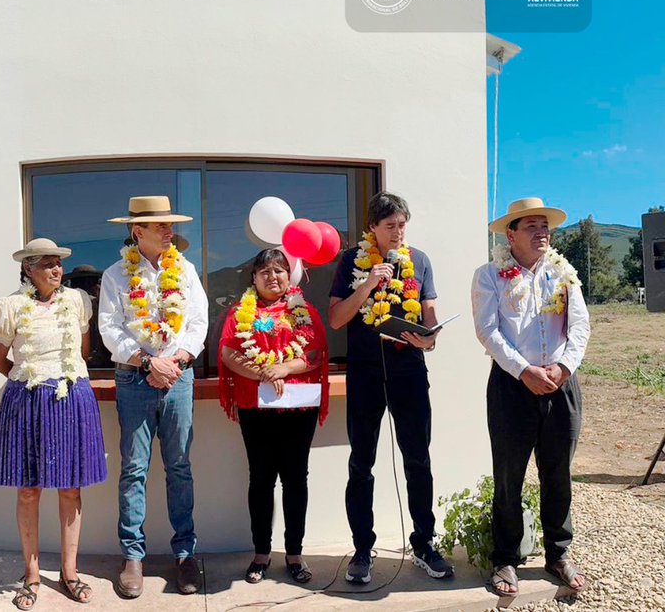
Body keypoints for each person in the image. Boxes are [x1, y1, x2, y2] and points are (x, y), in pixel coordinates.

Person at [328, 191, 453, 583]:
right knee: (361, 463)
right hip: (365, 373)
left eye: (402, 225)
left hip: (409, 371)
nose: (398, 232)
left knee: (418, 459)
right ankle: (362, 550)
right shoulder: (351, 261)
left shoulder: (420, 261)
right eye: (390, 226)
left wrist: (428, 338)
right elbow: (335, 319)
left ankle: (424, 544)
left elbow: (429, 316)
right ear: (372, 229)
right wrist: (366, 285)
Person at [471, 198, 590, 595]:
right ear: (511, 234)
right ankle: (505, 559)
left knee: (558, 473)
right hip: (512, 386)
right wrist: (524, 370)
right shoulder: (489, 276)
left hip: (561, 383)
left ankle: (558, 554)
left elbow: (580, 326)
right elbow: (489, 331)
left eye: (546, 227)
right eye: (532, 226)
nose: (542, 233)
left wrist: (563, 368)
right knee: (509, 476)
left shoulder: (563, 274)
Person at [97, 196, 209, 598]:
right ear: (136, 231)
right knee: (134, 469)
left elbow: (198, 320)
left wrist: (176, 359)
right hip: (134, 379)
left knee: (179, 466)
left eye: (169, 224)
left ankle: (185, 554)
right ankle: (133, 556)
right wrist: (148, 364)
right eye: (160, 226)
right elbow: (110, 330)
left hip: (178, 376)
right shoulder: (115, 275)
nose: (168, 231)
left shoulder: (186, 270)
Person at [0, 238, 108, 609]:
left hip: (73, 397)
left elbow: (84, 351)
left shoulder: (77, 301)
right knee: (28, 490)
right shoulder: (10, 307)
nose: (57, 270)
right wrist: (29, 380)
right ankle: (32, 574)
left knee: (71, 488)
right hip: (28, 400)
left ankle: (69, 573)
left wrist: (60, 380)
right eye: (48, 264)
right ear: (28, 269)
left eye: (59, 264)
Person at [217, 248, 329, 585]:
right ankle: (261, 553)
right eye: (264, 271)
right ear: (253, 278)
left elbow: (315, 353)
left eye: (279, 270)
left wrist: (281, 368)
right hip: (256, 408)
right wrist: (264, 374)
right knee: (261, 479)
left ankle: (294, 553)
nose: (272, 276)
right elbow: (228, 352)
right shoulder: (240, 314)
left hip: (298, 408)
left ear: (288, 275)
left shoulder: (303, 311)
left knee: (296, 479)